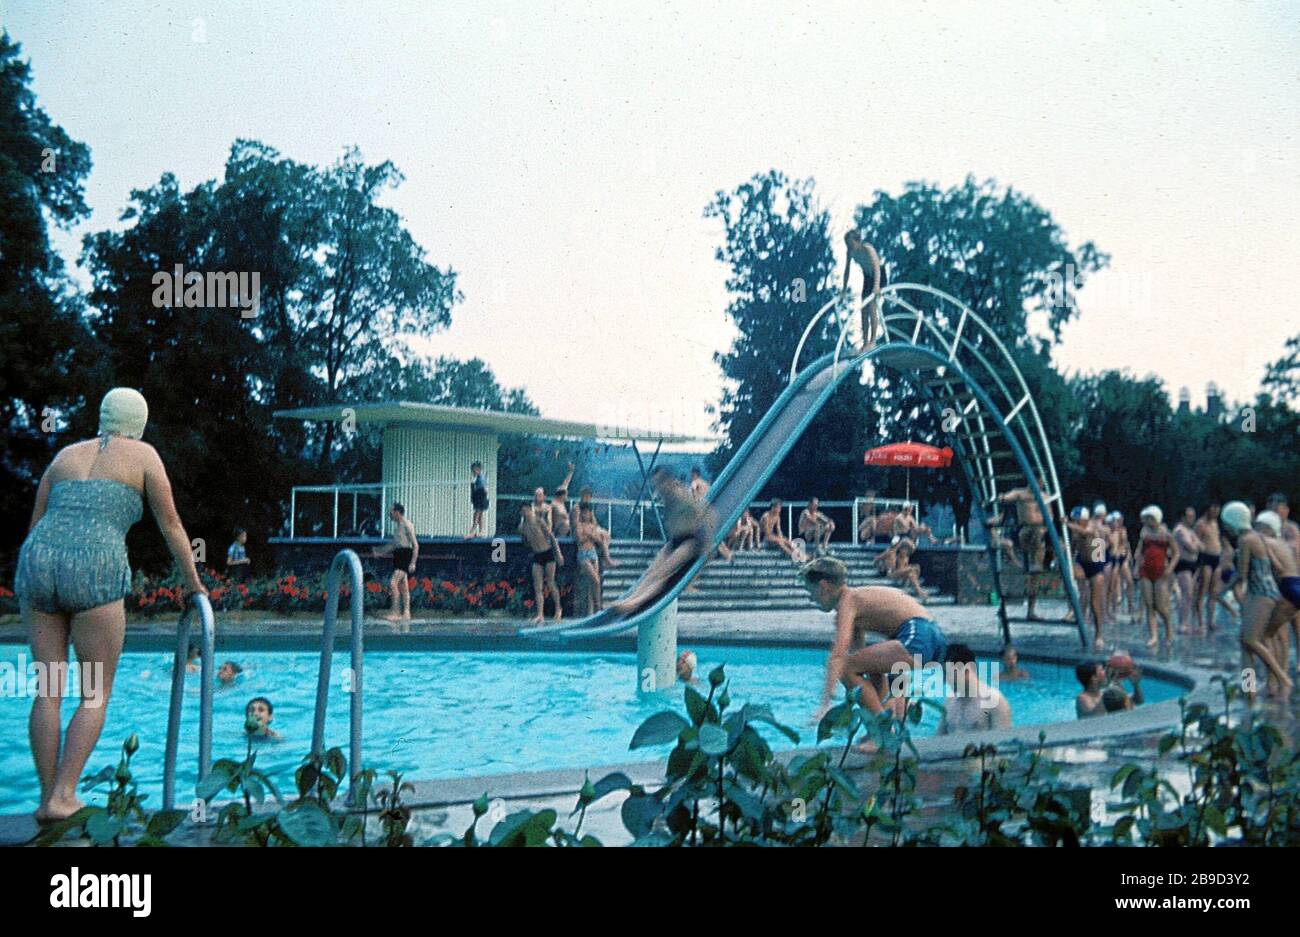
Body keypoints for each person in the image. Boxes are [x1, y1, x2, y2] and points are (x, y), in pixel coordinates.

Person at [14, 387, 207, 825]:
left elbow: (36, 525)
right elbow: (171, 524)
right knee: (95, 692)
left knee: (48, 689)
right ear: (139, 421)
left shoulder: (63, 456)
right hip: (96, 569)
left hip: (39, 562)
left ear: (102, 416)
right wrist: (193, 582)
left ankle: (48, 799)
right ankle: (64, 793)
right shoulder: (143, 456)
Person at [801, 556, 947, 720]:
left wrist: (825, 705)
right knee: (862, 668)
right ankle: (883, 723)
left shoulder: (848, 602)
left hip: (918, 635)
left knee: (846, 667)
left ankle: (880, 730)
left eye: (810, 591)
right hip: (930, 637)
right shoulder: (855, 603)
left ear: (823, 587)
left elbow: (838, 657)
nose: (811, 599)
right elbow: (865, 666)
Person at [610, 468, 717, 617]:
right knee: (652, 570)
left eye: (660, 483)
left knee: (664, 572)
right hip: (677, 540)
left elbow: (708, 514)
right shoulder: (667, 498)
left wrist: (706, 551)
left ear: (668, 482)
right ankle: (631, 598)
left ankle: (635, 602)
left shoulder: (682, 494)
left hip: (693, 541)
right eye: (656, 484)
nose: (658, 488)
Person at [1222, 502, 1293, 699]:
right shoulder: (1258, 537)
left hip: (1261, 593)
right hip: (1263, 592)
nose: (1225, 528)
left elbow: (1242, 575)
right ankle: (1249, 689)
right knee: (1245, 644)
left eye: (1226, 523)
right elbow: (1276, 566)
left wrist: (1222, 591)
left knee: (1251, 640)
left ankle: (1282, 678)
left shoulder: (1246, 540)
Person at [998, 480, 1049, 621]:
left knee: (1035, 575)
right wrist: (1002, 497)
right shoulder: (1020, 494)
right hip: (1026, 531)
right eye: (1039, 482)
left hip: (1039, 534)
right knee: (1033, 531)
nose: (1041, 485)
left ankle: (1031, 610)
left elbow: (1050, 516)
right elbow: (1006, 497)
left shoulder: (1044, 497)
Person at [936, 643, 1011, 735]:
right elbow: (937, 742)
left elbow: (1003, 745)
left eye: (948, 674)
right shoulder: (949, 702)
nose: (945, 680)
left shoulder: (995, 702)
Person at [1136, 505, 1178, 647]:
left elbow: (1176, 553)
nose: (1146, 521)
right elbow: (1140, 550)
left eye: (1149, 518)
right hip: (1145, 570)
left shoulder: (1166, 534)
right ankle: (1153, 636)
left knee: (1161, 606)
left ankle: (1169, 631)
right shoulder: (1144, 533)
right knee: (1149, 605)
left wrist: (1170, 568)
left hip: (1161, 571)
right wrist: (1137, 566)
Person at [1067, 506, 1107, 650]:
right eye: (1073, 521)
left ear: (1084, 520)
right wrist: (1067, 558)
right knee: (1070, 577)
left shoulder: (1093, 526)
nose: (1075, 523)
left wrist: (1067, 524)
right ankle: (1074, 607)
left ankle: (1098, 634)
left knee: (1095, 603)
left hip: (1096, 564)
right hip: (1082, 562)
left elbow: (1086, 532)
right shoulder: (1076, 530)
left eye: (1077, 520)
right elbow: (1073, 546)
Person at [372, 503, 418, 626]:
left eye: (391, 511)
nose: (390, 514)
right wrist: (380, 551)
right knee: (403, 586)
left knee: (393, 583)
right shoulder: (397, 527)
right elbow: (394, 545)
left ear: (397, 512)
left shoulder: (407, 525)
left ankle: (395, 612)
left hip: (405, 556)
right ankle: (406, 613)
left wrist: (413, 562)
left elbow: (415, 545)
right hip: (398, 555)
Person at [519, 503, 562, 626]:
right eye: (524, 511)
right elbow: (525, 542)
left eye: (528, 510)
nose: (526, 513)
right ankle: (540, 614)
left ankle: (558, 609)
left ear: (530, 510)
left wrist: (558, 554)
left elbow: (552, 537)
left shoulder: (539, 521)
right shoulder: (522, 527)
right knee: (537, 587)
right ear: (522, 513)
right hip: (537, 555)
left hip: (548, 553)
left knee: (550, 582)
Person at [1194, 502, 1224, 633]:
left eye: (1218, 509)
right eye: (1214, 508)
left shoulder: (1216, 523)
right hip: (1205, 558)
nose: (1216, 511)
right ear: (1208, 509)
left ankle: (1211, 621)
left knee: (1214, 592)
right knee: (1202, 591)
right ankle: (1201, 622)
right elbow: (1195, 540)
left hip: (1216, 558)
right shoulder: (1201, 524)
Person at [1172, 507, 1202, 633]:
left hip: (1192, 564)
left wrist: (1196, 544)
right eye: (1190, 516)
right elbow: (1192, 547)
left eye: (1193, 516)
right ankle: (1182, 624)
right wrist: (1195, 544)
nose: (1192, 518)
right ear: (1183, 517)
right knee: (1187, 593)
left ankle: (1187, 622)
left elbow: (1201, 546)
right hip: (1183, 564)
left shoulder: (1190, 531)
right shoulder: (1180, 530)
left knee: (1191, 594)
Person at [573, 504, 604, 616]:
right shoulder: (579, 525)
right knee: (596, 580)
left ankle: (591, 613)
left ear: (591, 514)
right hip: (583, 555)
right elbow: (579, 540)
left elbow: (598, 540)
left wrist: (590, 535)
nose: (585, 514)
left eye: (587, 512)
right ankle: (598, 607)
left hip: (593, 553)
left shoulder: (593, 525)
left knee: (592, 585)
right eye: (583, 512)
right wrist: (590, 535)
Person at [885, 537, 928, 602]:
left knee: (915, 568)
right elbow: (890, 572)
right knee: (911, 569)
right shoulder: (894, 555)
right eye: (904, 549)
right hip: (892, 574)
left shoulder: (906, 557)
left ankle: (918, 590)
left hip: (903, 576)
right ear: (900, 549)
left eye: (907, 550)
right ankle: (920, 592)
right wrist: (902, 542)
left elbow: (913, 547)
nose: (905, 551)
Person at [550, 463, 575, 538]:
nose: (567, 496)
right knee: (566, 524)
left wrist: (571, 472)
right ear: (562, 495)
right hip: (559, 528)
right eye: (566, 495)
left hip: (566, 526)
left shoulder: (561, 502)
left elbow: (566, 483)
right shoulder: (554, 504)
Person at [466, 461, 489, 539]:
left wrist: (480, 494)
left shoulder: (481, 478)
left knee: (477, 514)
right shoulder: (478, 478)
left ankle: (473, 531)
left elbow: (484, 489)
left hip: (480, 497)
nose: (473, 471)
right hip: (478, 497)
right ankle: (481, 531)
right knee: (480, 515)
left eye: (474, 470)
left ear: (478, 469)